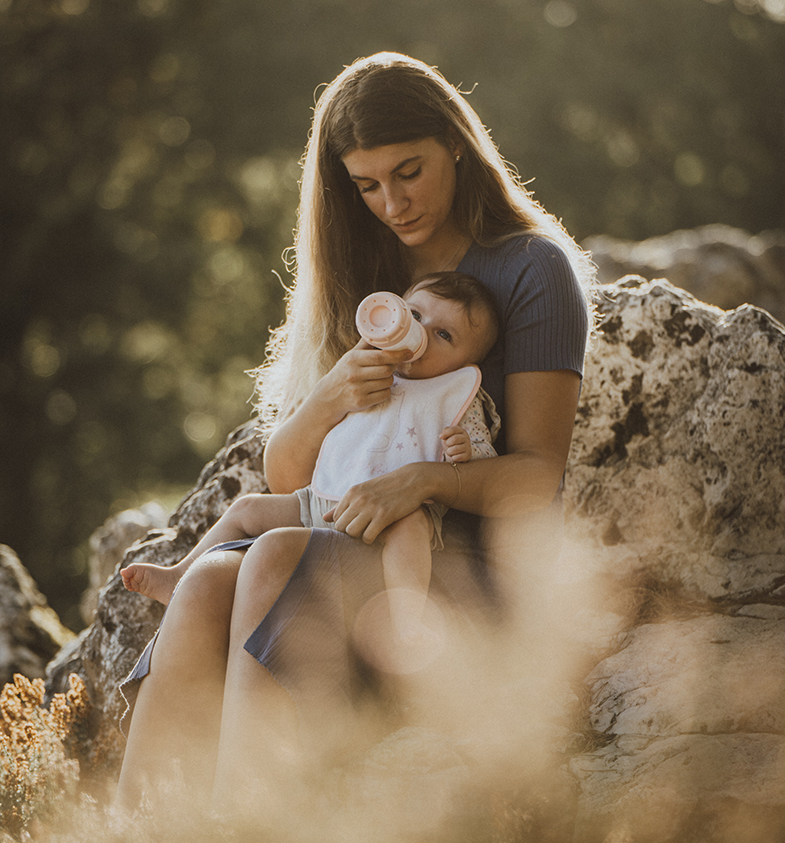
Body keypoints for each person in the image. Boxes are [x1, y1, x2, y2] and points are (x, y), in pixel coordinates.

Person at [115, 51, 593, 812]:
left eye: (409, 171)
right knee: (206, 580)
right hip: (346, 528)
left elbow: (537, 477)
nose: (393, 204)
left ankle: (241, 838)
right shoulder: (360, 269)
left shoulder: (534, 270)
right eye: (367, 185)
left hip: (458, 565)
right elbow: (289, 479)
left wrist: (424, 480)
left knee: (273, 556)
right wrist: (332, 393)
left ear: (457, 146)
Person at [120, 271, 501, 656]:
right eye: (415, 316)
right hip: (323, 502)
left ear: (468, 363)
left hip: (394, 515)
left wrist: (463, 450)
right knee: (248, 508)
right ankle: (179, 576)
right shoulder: (366, 372)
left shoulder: (458, 397)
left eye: (445, 335)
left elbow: (484, 464)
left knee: (413, 531)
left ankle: (406, 620)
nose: (422, 334)